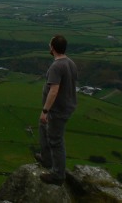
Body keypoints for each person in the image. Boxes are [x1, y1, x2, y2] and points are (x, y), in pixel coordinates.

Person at [35, 35, 78, 186]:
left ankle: (58, 175)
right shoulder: (70, 62)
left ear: (52, 47)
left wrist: (45, 111)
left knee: (56, 140)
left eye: (49, 44)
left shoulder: (56, 66)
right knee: (43, 127)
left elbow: (54, 90)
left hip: (58, 110)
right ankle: (46, 159)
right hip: (66, 106)